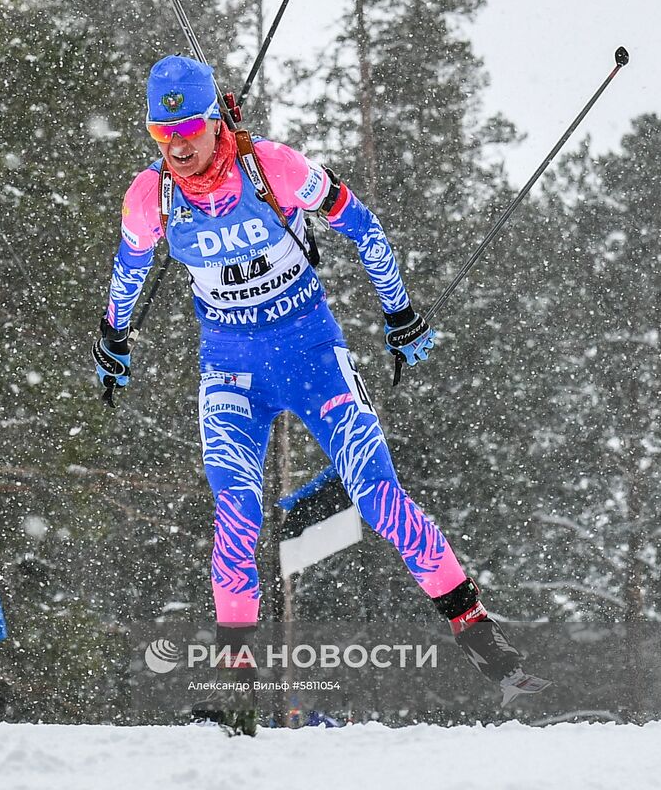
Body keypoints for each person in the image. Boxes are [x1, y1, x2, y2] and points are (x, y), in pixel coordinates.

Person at [94, 55, 547, 725]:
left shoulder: (272, 167)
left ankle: (497, 659)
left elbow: (361, 226)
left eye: (189, 125)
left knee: (380, 498)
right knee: (237, 516)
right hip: (230, 372)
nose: (179, 144)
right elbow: (129, 268)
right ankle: (235, 696)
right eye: (163, 134)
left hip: (311, 355)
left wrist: (398, 312)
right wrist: (112, 337)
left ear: (215, 120)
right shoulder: (151, 195)